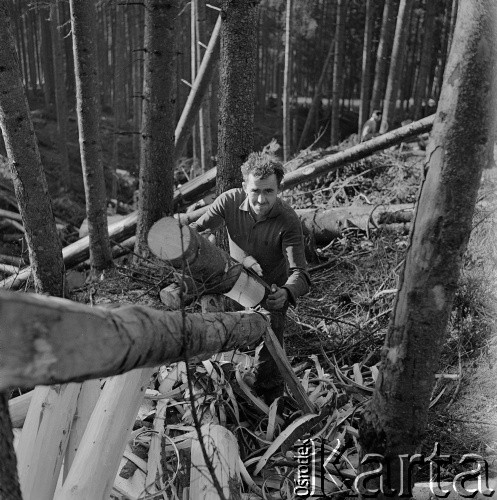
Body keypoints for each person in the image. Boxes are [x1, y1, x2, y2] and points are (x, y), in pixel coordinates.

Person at [190, 152, 311, 404]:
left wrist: (287, 293)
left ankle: (268, 399)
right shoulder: (229, 201)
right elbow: (198, 231)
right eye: (255, 190)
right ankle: (213, 386)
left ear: (279, 189)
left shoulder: (288, 220)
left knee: (271, 347)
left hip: (268, 289)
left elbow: (301, 273)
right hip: (231, 276)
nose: (260, 199)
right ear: (244, 186)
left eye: (268, 191)